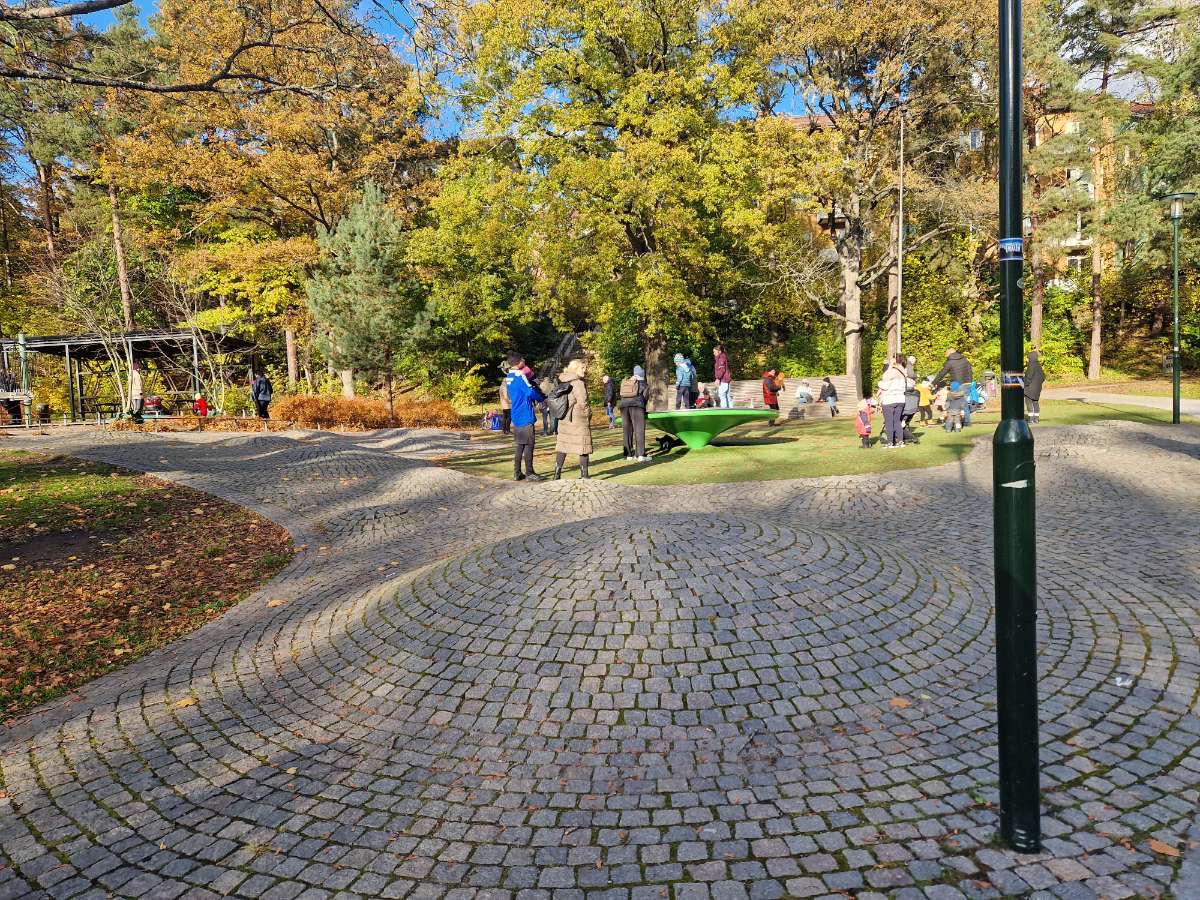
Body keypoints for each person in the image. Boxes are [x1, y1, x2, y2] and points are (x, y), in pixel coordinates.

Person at [505, 352, 546, 481]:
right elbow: (530, 391)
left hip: (516, 415)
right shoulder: (519, 376)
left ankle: (517, 473)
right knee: (529, 445)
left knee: (520, 445)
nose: (524, 361)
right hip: (525, 415)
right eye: (523, 359)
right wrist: (542, 397)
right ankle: (530, 473)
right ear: (518, 362)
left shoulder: (509, 377)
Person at [554, 354, 593, 479]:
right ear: (576, 368)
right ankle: (584, 475)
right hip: (577, 418)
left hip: (564, 417)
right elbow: (583, 402)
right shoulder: (578, 383)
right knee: (583, 445)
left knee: (563, 445)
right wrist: (588, 414)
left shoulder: (563, 380)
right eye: (582, 368)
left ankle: (557, 474)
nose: (584, 370)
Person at [876, 353, 910, 448]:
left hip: (889, 399)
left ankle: (890, 442)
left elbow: (884, 383)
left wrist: (890, 367)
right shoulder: (904, 371)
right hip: (900, 399)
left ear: (895, 360)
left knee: (889, 422)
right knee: (897, 421)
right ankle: (900, 442)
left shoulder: (892, 371)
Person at [619, 365, 651, 462]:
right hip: (637, 407)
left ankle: (628, 454)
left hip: (624, 407)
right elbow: (645, 398)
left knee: (627, 430)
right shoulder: (644, 383)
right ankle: (640, 455)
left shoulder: (627, 382)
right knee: (639, 430)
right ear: (642, 374)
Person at [1024, 350, 1045, 423]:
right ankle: (1036, 418)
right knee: (1035, 402)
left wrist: (1025, 384)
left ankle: (1031, 419)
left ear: (1031, 357)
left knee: (1028, 402)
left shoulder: (1031, 365)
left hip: (1029, 388)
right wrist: (1038, 384)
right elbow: (1043, 377)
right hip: (1037, 388)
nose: (1028, 359)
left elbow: (1029, 376)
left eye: (1028, 358)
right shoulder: (1038, 365)